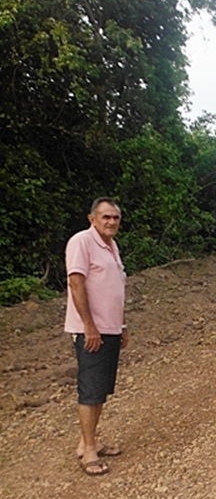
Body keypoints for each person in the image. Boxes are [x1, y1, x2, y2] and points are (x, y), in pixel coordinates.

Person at [64, 197, 129, 475]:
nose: (111, 222)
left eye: (115, 217)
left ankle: (88, 441)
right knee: (90, 390)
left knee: (100, 388)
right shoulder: (82, 241)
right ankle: (89, 451)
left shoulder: (111, 246)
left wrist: (121, 325)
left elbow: (113, 289)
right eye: (106, 217)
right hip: (91, 331)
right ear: (92, 219)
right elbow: (76, 282)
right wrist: (89, 326)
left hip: (109, 329)